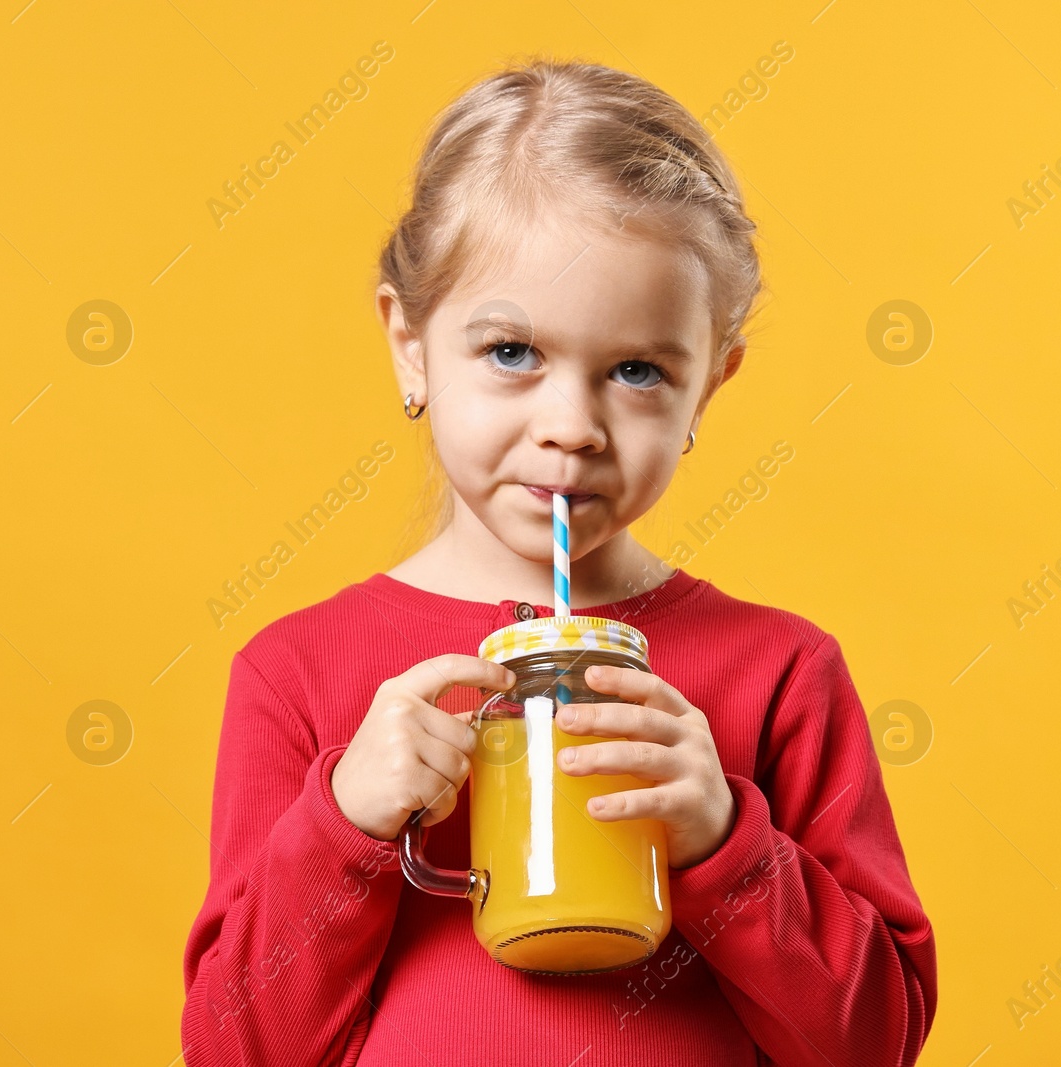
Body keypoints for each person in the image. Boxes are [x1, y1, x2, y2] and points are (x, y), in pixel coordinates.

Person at [180, 57, 936, 1066]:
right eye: (510, 352)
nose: (570, 427)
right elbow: (235, 1049)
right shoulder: (296, 671)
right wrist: (345, 824)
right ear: (410, 344)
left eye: (636, 370)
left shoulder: (784, 671)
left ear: (708, 383)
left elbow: (868, 1042)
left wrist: (723, 839)